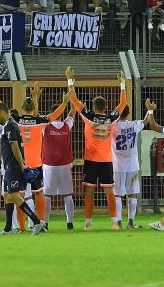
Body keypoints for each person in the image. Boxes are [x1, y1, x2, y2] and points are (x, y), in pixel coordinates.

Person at [66, 66, 128, 231]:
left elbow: (74, 99)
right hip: (106, 161)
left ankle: (88, 224)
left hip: (91, 160)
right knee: (110, 192)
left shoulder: (88, 116)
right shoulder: (111, 118)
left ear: (93, 107)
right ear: (105, 107)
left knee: (89, 192)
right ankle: (114, 222)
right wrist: (123, 84)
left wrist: (70, 80)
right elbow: (123, 104)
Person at [0, 101, 46, 235]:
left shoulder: (11, 125)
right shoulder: (8, 125)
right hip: (8, 166)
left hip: (13, 166)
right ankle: (7, 228)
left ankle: (37, 221)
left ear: (3, 113)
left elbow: (15, 147)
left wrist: (22, 167)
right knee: (7, 196)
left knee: (14, 196)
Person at [111, 99, 152, 229]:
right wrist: (150, 110)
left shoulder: (112, 126)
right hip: (132, 165)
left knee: (117, 194)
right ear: (128, 113)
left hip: (117, 166)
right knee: (132, 193)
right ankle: (131, 222)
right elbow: (146, 121)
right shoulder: (134, 125)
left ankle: (118, 222)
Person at [41, 90, 77, 229]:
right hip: (65, 165)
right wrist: (72, 95)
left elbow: (36, 115)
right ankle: (70, 223)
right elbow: (73, 112)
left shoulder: (45, 126)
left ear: (51, 114)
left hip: (49, 165)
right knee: (67, 195)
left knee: (47, 196)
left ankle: (45, 223)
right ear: (61, 114)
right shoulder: (67, 125)